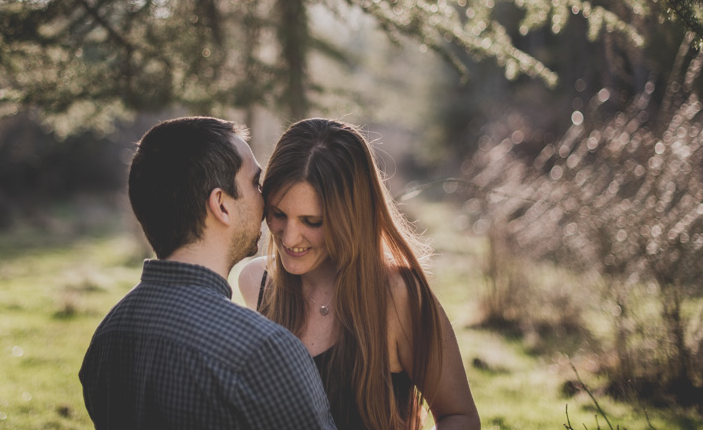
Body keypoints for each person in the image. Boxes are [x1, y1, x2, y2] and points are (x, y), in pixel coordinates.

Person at [79, 116, 337, 430]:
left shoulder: (107, 337)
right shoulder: (264, 350)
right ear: (221, 205)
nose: (267, 199)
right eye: (255, 183)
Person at [239, 118, 480, 430]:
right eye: (278, 214)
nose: (289, 238)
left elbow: (459, 418)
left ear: (350, 217)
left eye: (312, 221)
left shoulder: (399, 296)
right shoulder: (255, 283)